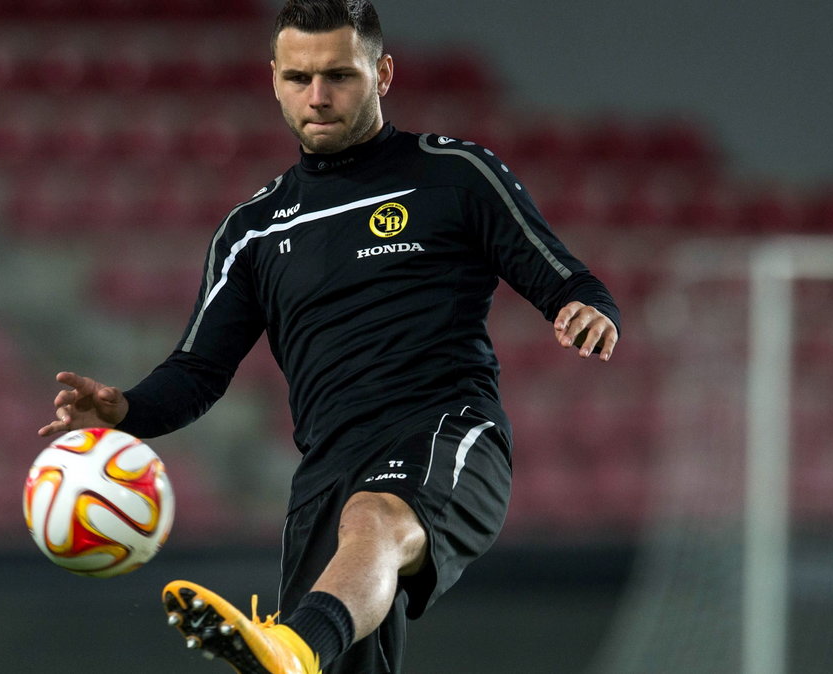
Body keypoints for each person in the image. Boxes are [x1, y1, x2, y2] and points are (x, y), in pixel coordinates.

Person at [38, 1, 621, 672]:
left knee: (374, 522)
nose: (317, 96)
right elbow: (198, 372)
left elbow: (566, 278)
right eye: (298, 78)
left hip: (444, 431)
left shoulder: (455, 175)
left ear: (384, 73)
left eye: (340, 75)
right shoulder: (252, 229)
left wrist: (586, 307)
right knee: (338, 617)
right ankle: (298, 647)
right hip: (324, 478)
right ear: (274, 79)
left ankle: (293, 644)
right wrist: (126, 411)